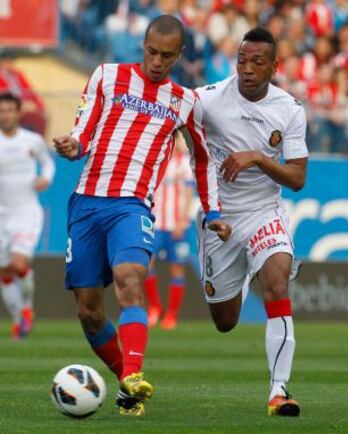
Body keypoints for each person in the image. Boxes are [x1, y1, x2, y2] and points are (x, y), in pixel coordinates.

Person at [53, 15, 231, 417]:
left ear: (179, 55)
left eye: (167, 56)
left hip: (131, 206)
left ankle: (134, 373)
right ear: (143, 45)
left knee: (130, 278)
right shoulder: (107, 76)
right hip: (86, 201)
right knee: (88, 310)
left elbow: (203, 162)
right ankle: (126, 386)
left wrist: (213, 209)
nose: (157, 61)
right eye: (151, 52)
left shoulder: (185, 102)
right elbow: (84, 130)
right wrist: (72, 145)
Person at [195, 27, 308, 417]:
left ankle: (279, 391)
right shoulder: (208, 100)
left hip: (264, 211)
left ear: (274, 66)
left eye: (257, 62)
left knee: (277, 280)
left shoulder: (290, 109)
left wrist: (258, 157)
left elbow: (296, 178)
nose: (247, 68)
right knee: (225, 320)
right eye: (242, 60)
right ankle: (242, 273)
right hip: (220, 219)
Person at [0, 92, 55, 339]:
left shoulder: (32, 141)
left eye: (10, 110)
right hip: (2, 215)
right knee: (4, 272)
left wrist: (46, 177)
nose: (6, 115)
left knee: (18, 264)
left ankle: (27, 308)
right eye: (2, 110)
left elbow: (48, 163)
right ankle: (18, 319)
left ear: (18, 113)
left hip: (26, 212)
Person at [145, 133, 194, 330]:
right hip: (155, 223)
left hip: (176, 224)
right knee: (146, 264)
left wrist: (183, 220)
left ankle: (172, 315)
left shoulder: (184, 162)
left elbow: (190, 192)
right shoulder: (154, 160)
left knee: (177, 267)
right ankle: (155, 308)